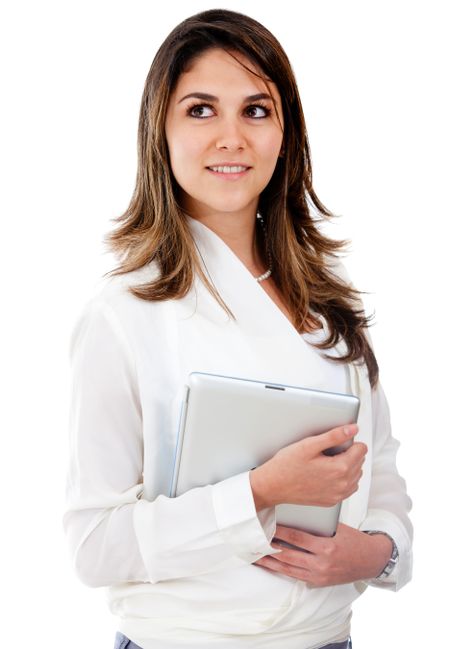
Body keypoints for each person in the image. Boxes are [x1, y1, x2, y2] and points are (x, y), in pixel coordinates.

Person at [62, 8, 413, 649]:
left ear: (286, 133)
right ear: (159, 132)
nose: (232, 137)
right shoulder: (124, 313)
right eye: (200, 110)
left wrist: (374, 556)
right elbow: (94, 546)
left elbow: (383, 482)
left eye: (256, 110)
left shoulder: (329, 306)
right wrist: (260, 493)